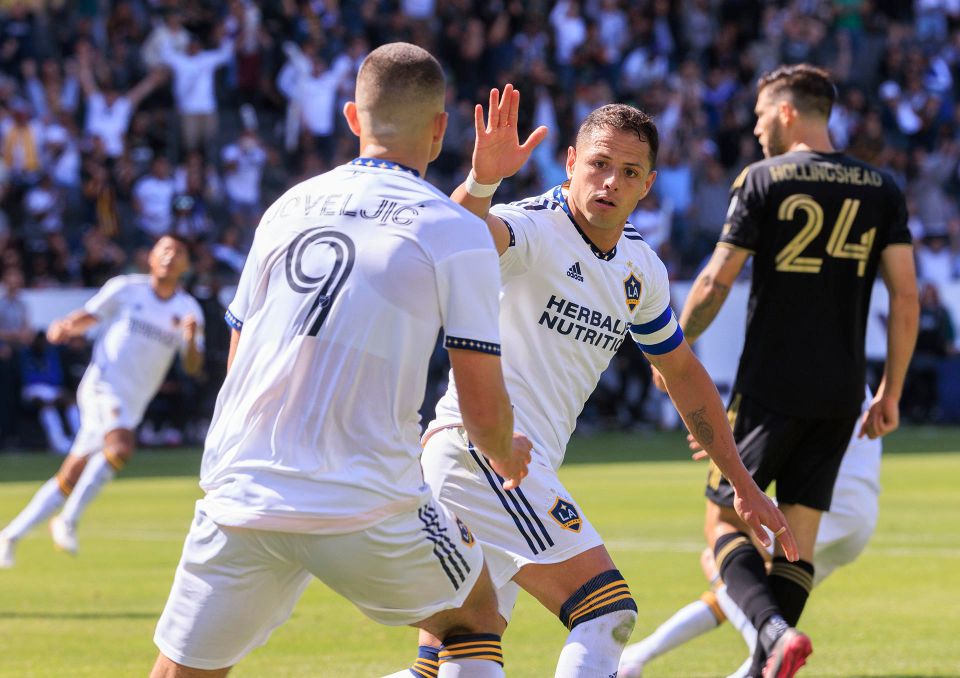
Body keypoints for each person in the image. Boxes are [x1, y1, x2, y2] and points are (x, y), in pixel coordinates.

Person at [150, 43, 531, 678]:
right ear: (441, 130)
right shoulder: (454, 230)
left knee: (181, 672)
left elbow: (239, 356)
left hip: (243, 489)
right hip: (365, 501)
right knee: (473, 617)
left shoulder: (283, 210)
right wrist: (501, 448)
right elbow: (481, 406)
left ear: (353, 117)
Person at [390, 86, 795, 678]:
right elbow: (459, 237)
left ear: (647, 185)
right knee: (606, 612)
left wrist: (742, 483)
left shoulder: (640, 267)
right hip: (484, 455)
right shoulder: (533, 226)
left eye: (628, 172)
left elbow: (681, 372)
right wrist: (480, 182)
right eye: (599, 164)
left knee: (456, 662)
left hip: (508, 464)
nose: (609, 182)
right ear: (572, 162)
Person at [656, 64, 919, 678]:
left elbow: (718, 280)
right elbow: (906, 297)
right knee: (795, 541)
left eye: (757, 115)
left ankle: (772, 634)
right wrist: (891, 391)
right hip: (841, 393)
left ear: (786, 111)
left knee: (722, 521)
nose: (753, 128)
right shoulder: (881, 187)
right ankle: (763, 667)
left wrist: (671, 348)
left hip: (772, 384)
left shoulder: (763, 179)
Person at [619, 390, 883, 678]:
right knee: (748, 594)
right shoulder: (849, 373)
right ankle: (636, 658)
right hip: (861, 516)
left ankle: (773, 647)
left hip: (829, 507)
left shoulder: (788, 371)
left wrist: (726, 436)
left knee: (723, 561)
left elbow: (783, 428)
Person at [0, 234, 203, 566]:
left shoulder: (188, 310)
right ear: (150, 257)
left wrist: (192, 340)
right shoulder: (126, 288)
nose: (170, 256)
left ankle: (11, 535)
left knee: (72, 473)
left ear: (186, 264)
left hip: (132, 403)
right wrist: (66, 327)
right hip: (102, 386)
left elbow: (193, 365)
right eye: (164, 249)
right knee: (121, 447)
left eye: (178, 252)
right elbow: (90, 315)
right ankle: (67, 520)